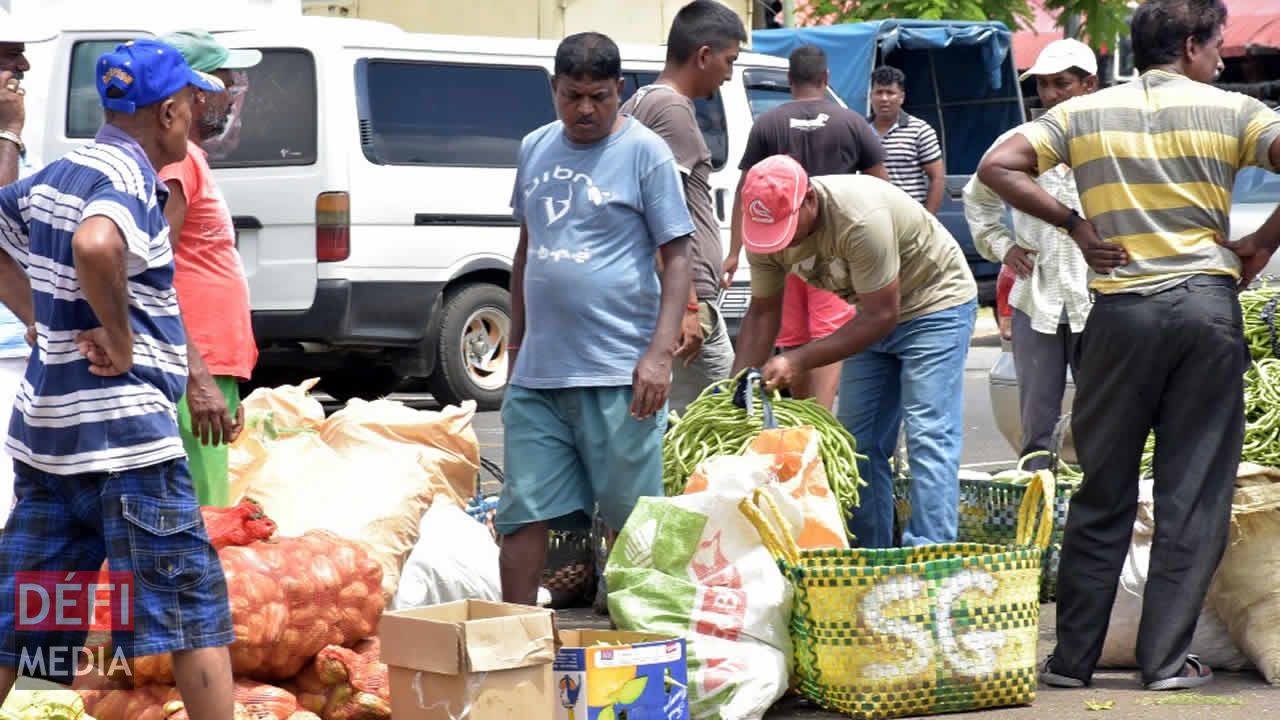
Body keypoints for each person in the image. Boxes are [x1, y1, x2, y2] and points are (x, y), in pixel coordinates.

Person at [976, 0, 1280, 692]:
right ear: (1194, 45)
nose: (1222, 59)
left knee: (1102, 488)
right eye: (1217, 46)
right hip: (1204, 312)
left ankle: (1073, 661)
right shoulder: (1234, 112)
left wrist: (1075, 226)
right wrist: (1261, 244)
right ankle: (1167, 662)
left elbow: (1000, 166)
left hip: (1117, 316)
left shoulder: (1082, 113)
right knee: (1192, 493)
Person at [0, 40, 236, 718]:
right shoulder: (129, 179)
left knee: (29, 617)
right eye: (192, 102)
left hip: (50, 446)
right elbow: (97, 244)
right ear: (167, 112)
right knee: (191, 612)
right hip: (128, 448)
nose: (196, 115)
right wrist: (126, 342)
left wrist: (38, 315)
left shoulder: (62, 172)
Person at [496, 32, 693, 606]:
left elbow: (677, 258)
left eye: (599, 97)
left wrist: (658, 356)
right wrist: (515, 353)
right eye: (573, 96)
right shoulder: (534, 147)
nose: (585, 110)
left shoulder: (645, 152)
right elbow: (526, 251)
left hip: (619, 374)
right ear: (554, 89)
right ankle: (514, 640)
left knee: (632, 523)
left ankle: (642, 644)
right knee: (521, 514)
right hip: (539, 376)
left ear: (620, 91)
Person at [732, 154, 977, 549]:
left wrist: (797, 359)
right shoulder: (765, 231)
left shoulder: (860, 218)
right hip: (868, 312)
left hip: (934, 305)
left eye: (789, 228)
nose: (785, 241)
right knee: (858, 443)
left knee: (928, 434)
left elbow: (883, 316)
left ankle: (929, 559)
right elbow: (762, 311)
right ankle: (870, 556)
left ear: (809, 199)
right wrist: (738, 387)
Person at [726, 44, 889, 410]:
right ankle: (820, 417)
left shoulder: (768, 123)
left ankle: (802, 415)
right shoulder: (851, 121)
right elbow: (881, 183)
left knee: (793, 334)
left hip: (780, 245)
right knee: (829, 331)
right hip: (835, 247)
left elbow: (745, 189)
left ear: (789, 80)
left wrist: (735, 250)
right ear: (826, 78)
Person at [963, 39, 1099, 469]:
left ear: (1089, 85)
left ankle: (1101, 510)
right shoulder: (1015, 145)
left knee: (1105, 415)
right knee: (1036, 423)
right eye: (1044, 85)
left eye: (1063, 83)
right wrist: (1003, 247)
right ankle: (1038, 504)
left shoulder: (1109, 143)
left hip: (1098, 296)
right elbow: (977, 200)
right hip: (1035, 296)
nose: (1053, 94)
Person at [619, 0, 745, 414]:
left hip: (673, 292)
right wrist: (689, 305)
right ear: (703, 55)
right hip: (685, 296)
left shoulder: (641, 101)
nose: (728, 75)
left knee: (670, 420)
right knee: (727, 420)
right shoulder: (670, 109)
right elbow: (663, 215)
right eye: (729, 61)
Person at [158, 30, 262, 507]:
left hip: (207, 364)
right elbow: (152, 271)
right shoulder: (179, 165)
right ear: (194, 92)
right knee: (202, 517)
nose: (232, 97)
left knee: (212, 506)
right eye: (224, 84)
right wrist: (199, 379)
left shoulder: (191, 160)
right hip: (190, 366)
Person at [0, 14, 54, 529]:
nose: (23, 65)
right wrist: (8, 131)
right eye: (7, 54)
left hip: (20, 343)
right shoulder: (4, 135)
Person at [869, 65, 945, 214]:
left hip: (911, 218)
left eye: (890, 93)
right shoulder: (860, 130)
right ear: (871, 96)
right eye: (879, 92)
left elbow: (937, 178)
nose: (884, 98)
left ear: (901, 97)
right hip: (873, 219)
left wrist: (928, 221)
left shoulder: (920, 131)